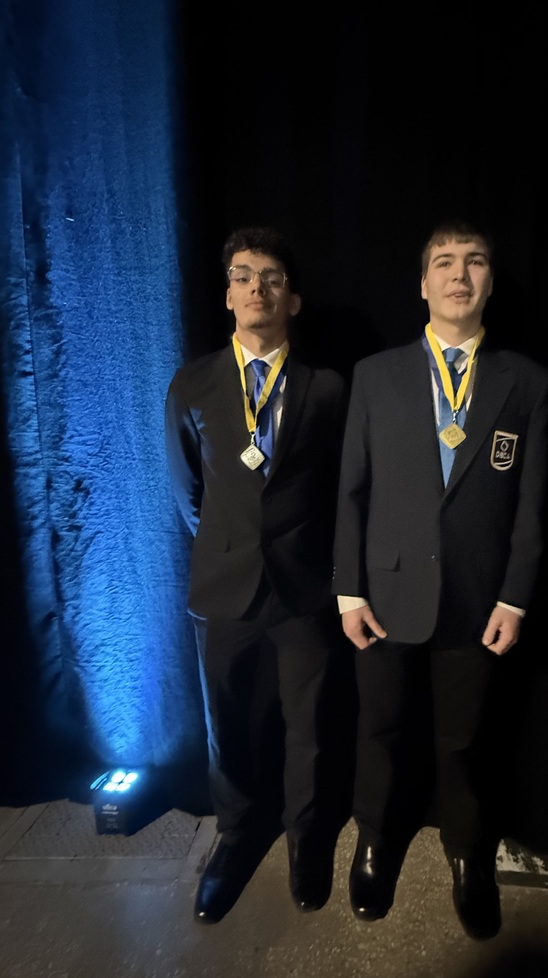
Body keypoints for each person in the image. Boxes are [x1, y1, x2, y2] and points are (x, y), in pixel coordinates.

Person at [333, 219, 548, 940]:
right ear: (423, 284)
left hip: (478, 599)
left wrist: (515, 596)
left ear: (490, 282)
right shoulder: (376, 375)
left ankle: (467, 853)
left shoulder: (527, 383)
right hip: (385, 595)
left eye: (475, 261)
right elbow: (351, 492)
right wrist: (348, 590)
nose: (460, 274)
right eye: (445, 263)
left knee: (465, 740)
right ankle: (374, 840)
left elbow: (532, 505)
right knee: (380, 730)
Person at [165, 225, 349, 924]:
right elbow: (188, 493)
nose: (256, 288)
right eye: (242, 276)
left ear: (292, 299)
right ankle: (238, 835)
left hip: (304, 589)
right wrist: (232, 545)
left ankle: (306, 837)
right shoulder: (192, 385)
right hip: (224, 587)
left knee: (311, 726)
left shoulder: (327, 388)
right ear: (227, 295)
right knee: (228, 724)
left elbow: (340, 489)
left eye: (271, 278)